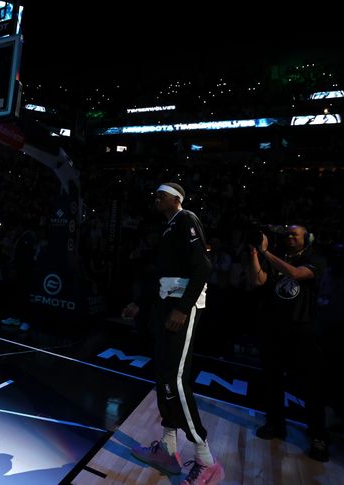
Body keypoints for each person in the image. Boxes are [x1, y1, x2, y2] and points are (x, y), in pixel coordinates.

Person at [122, 182, 224, 485]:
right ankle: (168, 449)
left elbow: (203, 267)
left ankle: (206, 459)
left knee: (176, 380)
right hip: (165, 307)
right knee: (163, 377)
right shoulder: (168, 229)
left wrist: (182, 306)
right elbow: (159, 276)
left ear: (176, 198)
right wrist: (138, 303)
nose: (155, 198)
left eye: (161, 194)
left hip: (181, 307)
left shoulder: (186, 219)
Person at [247, 224, 329, 462]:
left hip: (303, 330)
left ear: (308, 238)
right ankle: (275, 424)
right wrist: (254, 254)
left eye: (296, 234)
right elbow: (258, 281)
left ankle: (318, 435)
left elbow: (295, 274)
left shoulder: (316, 259)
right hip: (274, 328)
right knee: (272, 380)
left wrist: (265, 253)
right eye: (288, 233)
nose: (290, 236)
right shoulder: (278, 256)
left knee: (311, 385)